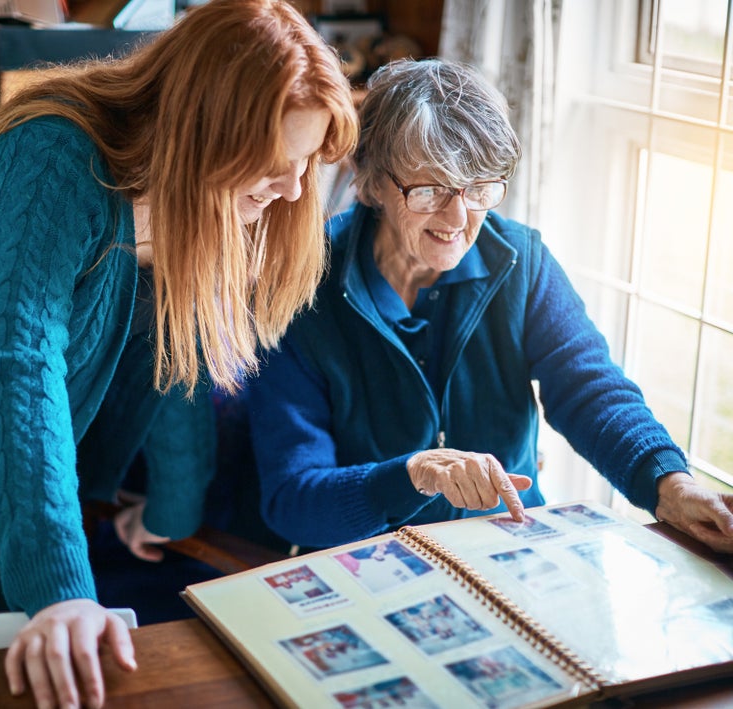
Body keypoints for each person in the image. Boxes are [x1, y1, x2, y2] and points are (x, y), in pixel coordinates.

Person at [0, 1, 358, 707]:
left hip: (33, 430)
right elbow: (18, 366)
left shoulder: (211, 198)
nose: (294, 188)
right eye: (277, 162)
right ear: (204, 132)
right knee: (26, 666)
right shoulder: (51, 155)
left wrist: (171, 509)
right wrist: (59, 595)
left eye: (308, 162)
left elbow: (178, 363)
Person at [247, 57, 733, 556]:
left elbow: (591, 390)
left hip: (507, 551)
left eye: (477, 187)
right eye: (430, 189)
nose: (458, 217)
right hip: (367, 563)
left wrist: (669, 484)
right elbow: (293, 501)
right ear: (370, 181)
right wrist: (411, 475)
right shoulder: (301, 286)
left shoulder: (521, 262)